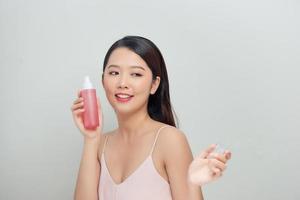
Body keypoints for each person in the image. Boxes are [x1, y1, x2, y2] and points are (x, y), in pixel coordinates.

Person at [71, 36, 231, 200]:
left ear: (154, 84)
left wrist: (192, 183)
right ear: (103, 81)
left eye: (136, 74)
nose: (122, 83)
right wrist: (91, 139)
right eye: (114, 73)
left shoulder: (169, 140)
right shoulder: (99, 145)